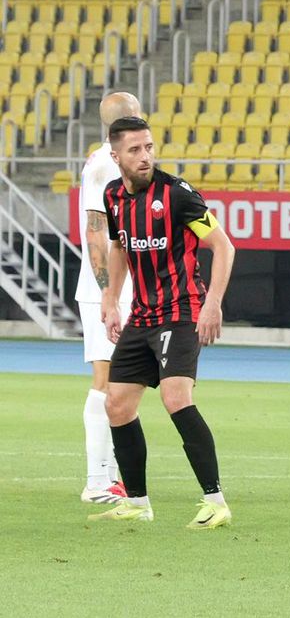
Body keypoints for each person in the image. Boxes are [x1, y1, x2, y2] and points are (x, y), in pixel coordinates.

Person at [88, 117, 237, 528]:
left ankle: (216, 502)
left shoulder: (177, 194)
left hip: (182, 311)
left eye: (149, 147)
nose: (145, 156)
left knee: (175, 397)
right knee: (116, 404)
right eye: (135, 150)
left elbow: (223, 247)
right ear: (115, 156)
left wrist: (213, 303)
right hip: (142, 315)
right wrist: (110, 298)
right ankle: (137, 502)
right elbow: (118, 248)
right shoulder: (113, 195)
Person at [75, 92, 139, 504]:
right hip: (107, 293)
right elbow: (96, 231)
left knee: (123, 383)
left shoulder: (109, 162)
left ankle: (112, 476)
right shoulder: (103, 167)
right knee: (105, 382)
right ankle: (97, 482)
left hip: (122, 290)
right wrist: (108, 293)